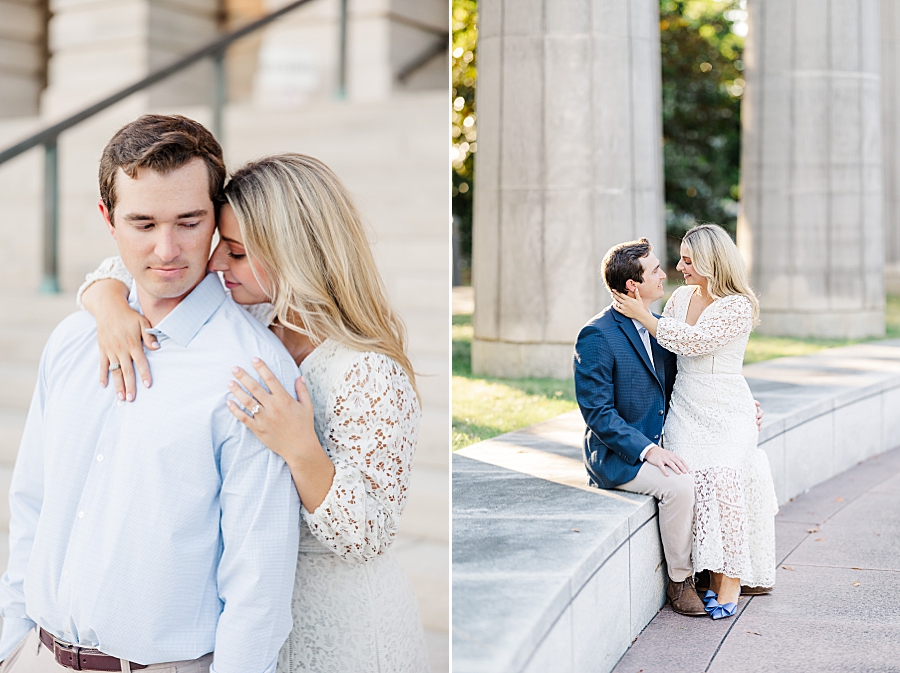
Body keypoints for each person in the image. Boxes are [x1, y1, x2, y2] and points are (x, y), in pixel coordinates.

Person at [78, 154, 431, 672]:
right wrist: (106, 301)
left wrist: (299, 447)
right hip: (246, 625)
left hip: (340, 629)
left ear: (297, 257)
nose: (218, 264)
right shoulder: (253, 318)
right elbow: (130, 266)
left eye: (238, 253)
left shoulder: (369, 372)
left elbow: (368, 536)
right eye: (222, 245)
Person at [0, 115, 301, 672]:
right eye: (143, 224)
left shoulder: (254, 370)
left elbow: (257, 589)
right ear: (107, 220)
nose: (168, 250)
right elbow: (32, 508)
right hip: (34, 655)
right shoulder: (71, 339)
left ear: (217, 219)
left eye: (190, 221)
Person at [611, 224, 778, 620]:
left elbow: (695, 342)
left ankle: (730, 578)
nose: (679, 267)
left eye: (688, 260)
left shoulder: (738, 304)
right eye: (681, 257)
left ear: (710, 261)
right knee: (690, 476)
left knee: (722, 476)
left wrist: (643, 314)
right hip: (686, 406)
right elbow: (669, 354)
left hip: (728, 410)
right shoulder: (681, 297)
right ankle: (699, 573)